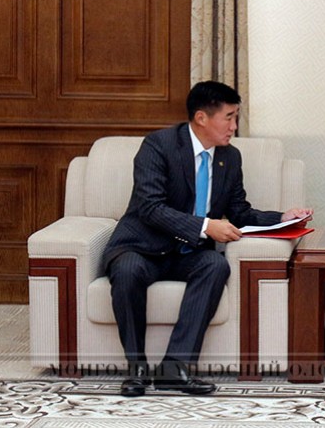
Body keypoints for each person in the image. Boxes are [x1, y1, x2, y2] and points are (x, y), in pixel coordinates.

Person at [103, 81, 313, 397]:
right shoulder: (158, 146)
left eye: (236, 117)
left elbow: (239, 211)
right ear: (201, 118)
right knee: (128, 270)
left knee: (215, 265)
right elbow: (150, 207)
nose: (234, 126)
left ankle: (175, 368)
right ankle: (137, 368)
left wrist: (282, 218)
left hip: (187, 253)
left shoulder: (230, 157)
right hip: (142, 247)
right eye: (228, 117)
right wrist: (205, 226)